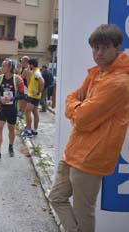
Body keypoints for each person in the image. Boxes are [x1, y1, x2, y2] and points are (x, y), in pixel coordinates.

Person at [48, 24, 129, 232]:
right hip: (74, 151)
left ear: (117, 47)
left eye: (104, 47)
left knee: (84, 211)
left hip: (92, 156)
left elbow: (82, 119)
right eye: (95, 48)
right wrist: (78, 105)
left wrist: (77, 107)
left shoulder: (119, 82)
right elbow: (70, 97)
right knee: (56, 197)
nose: (99, 53)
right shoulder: (97, 73)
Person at [0, 59, 25, 162]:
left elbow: (22, 95)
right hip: (1, 107)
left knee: (11, 129)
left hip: (12, 108)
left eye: (4, 66)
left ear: (10, 68)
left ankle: (10, 146)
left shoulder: (18, 79)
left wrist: (12, 99)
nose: (1, 68)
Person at [21, 59, 44, 138]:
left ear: (32, 65)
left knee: (27, 111)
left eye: (29, 65)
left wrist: (38, 91)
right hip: (34, 96)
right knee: (35, 112)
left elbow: (42, 82)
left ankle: (29, 130)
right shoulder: (35, 72)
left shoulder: (37, 73)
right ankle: (34, 130)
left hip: (33, 96)